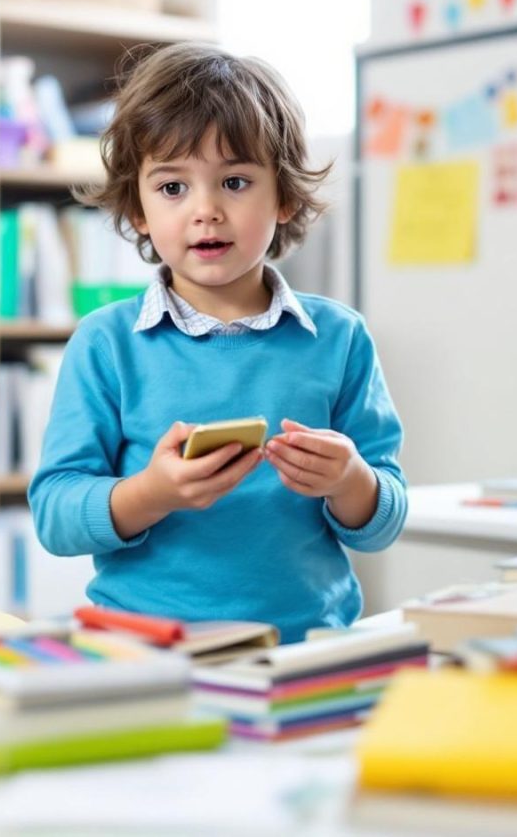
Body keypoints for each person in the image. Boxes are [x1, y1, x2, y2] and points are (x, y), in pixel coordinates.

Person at [27, 43, 406, 643]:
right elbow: (55, 515)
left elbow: (382, 521)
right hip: (146, 648)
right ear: (139, 210)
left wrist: (351, 481)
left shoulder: (340, 339)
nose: (206, 211)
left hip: (304, 646)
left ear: (282, 197)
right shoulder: (105, 344)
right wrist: (149, 494)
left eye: (234, 181)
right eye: (173, 188)